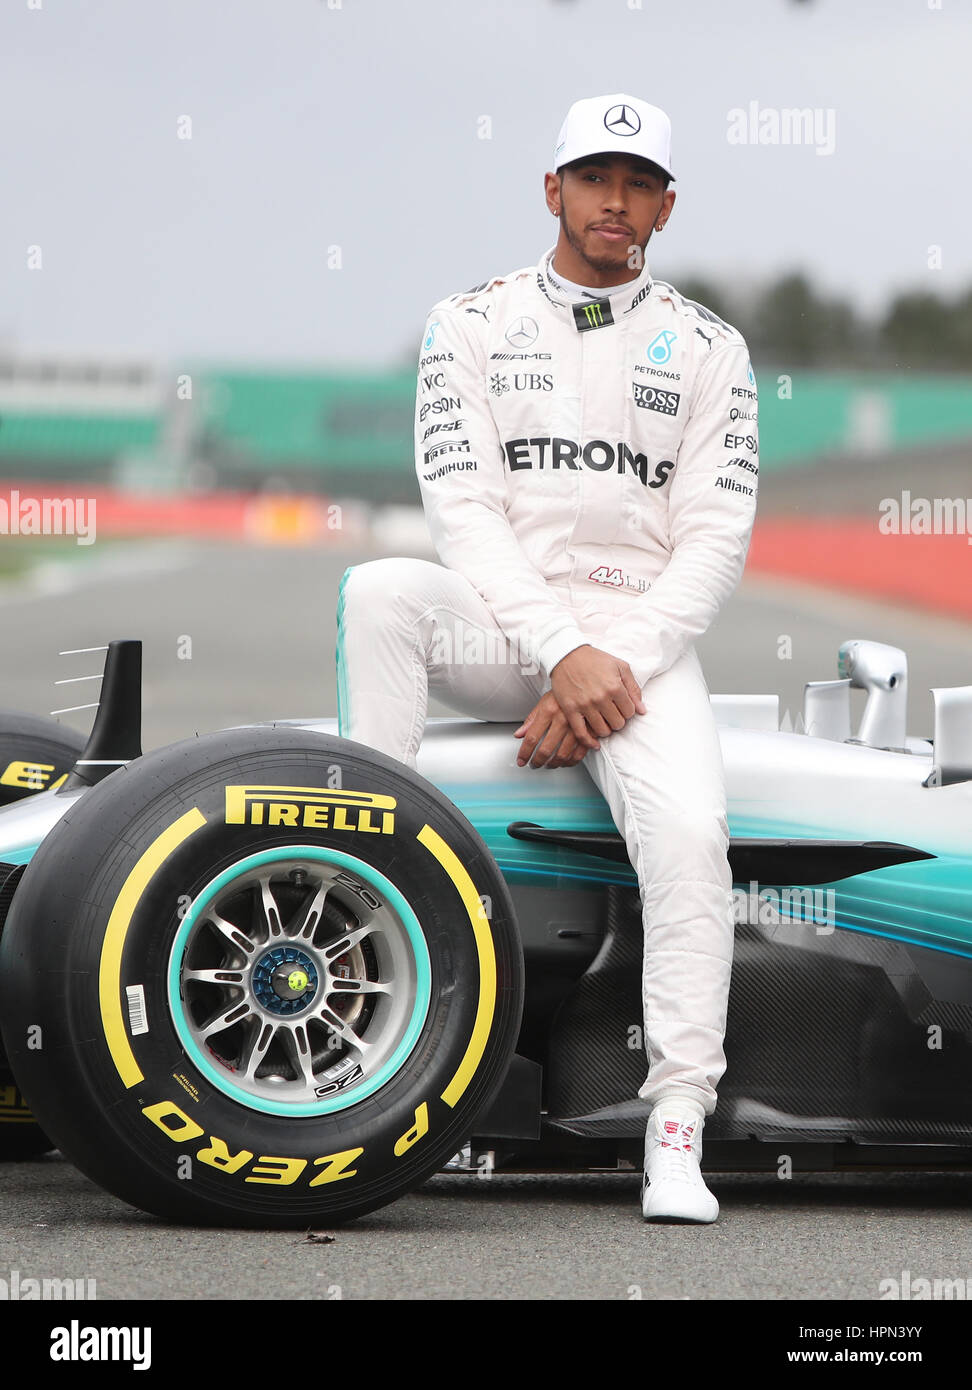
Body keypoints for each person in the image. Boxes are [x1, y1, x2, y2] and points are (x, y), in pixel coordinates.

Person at [335, 92, 759, 1223]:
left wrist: (603, 668)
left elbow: (715, 544)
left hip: (643, 647)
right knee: (380, 592)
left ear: (665, 206)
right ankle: (366, 931)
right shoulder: (467, 322)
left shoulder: (713, 348)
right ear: (552, 189)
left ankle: (676, 1129)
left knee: (688, 838)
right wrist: (559, 651)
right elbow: (462, 514)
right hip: (503, 621)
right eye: (592, 179)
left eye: (636, 184)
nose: (612, 202)